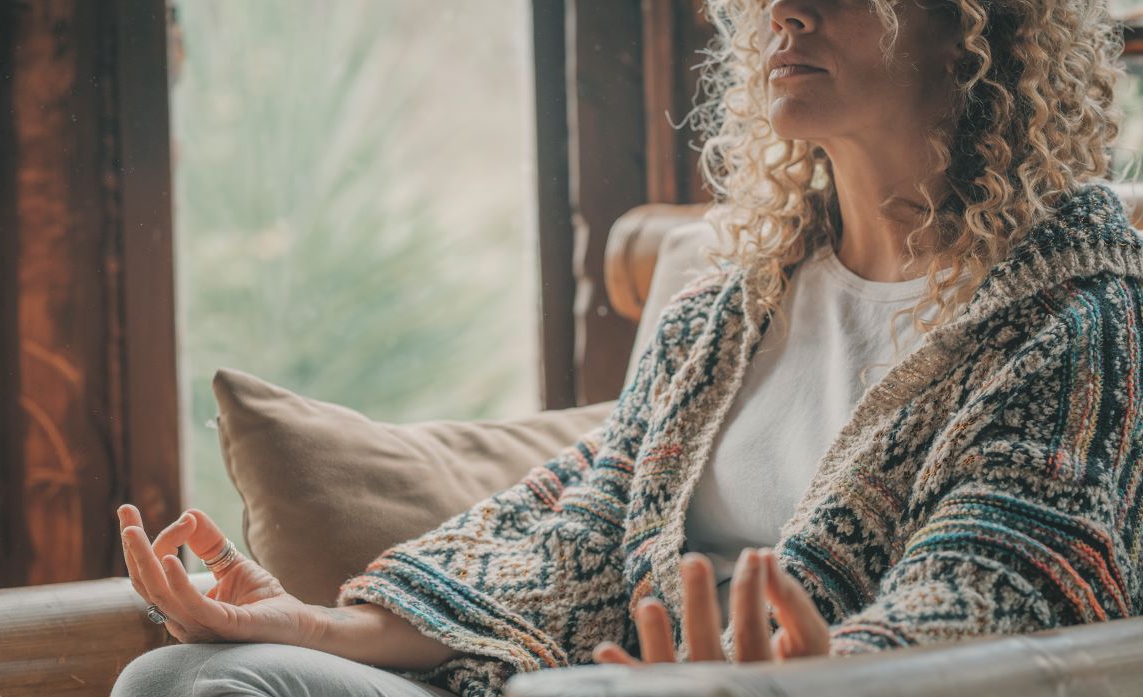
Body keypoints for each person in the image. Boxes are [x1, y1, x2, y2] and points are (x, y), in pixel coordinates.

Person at [111, 1, 1143, 695]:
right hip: (626, 680)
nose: (783, 7)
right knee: (171, 677)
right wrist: (305, 623)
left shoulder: (1073, 319)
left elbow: (990, 592)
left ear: (974, 27)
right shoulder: (725, 310)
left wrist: (778, 678)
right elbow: (582, 537)